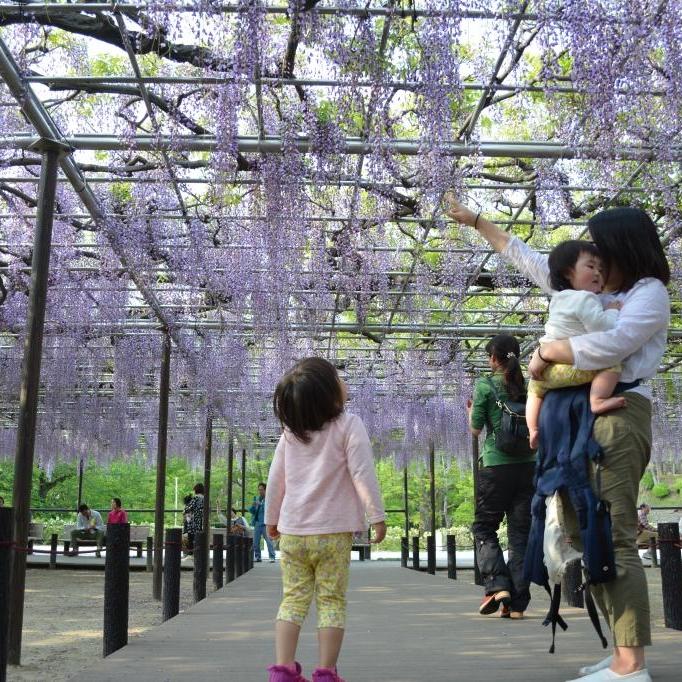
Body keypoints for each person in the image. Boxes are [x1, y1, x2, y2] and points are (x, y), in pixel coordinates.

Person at [446, 197, 669, 682]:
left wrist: (547, 350)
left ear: (624, 249)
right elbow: (523, 255)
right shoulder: (584, 288)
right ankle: (619, 657)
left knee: (614, 534)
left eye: (601, 251)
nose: (596, 259)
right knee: (586, 535)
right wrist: (477, 221)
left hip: (617, 412)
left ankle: (631, 666)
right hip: (572, 419)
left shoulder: (648, 292)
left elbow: (613, 344)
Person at [265, 357, 386, 682]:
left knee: (293, 598)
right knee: (331, 600)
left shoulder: (291, 433)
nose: (343, 382)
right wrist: (376, 516)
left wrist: (271, 519)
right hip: (333, 533)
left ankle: (283, 670)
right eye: (337, 378)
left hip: (293, 532)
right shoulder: (349, 424)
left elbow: (276, 479)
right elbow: (362, 473)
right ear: (329, 395)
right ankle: (326, 673)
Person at [526, 240, 625, 448]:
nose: (598, 273)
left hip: (546, 371)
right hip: (572, 368)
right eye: (590, 266)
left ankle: (533, 429)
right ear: (567, 273)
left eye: (601, 268)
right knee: (612, 363)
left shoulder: (558, 299)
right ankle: (597, 399)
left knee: (534, 390)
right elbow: (602, 328)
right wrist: (613, 310)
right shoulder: (586, 299)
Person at [468, 334, 536, 620]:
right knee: (520, 535)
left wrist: (471, 412)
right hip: (529, 467)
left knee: (484, 528)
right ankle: (518, 604)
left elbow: (475, 429)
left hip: (496, 468)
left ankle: (497, 585)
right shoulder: (530, 386)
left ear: (494, 359)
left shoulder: (485, 385)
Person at [250, 482, 276, 562]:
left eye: (261, 490)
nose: (260, 491)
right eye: (259, 490)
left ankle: (272, 557)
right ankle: (258, 557)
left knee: (269, 541)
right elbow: (252, 511)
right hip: (257, 523)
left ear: (265, 490)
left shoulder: (269, 499)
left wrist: (260, 505)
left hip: (266, 523)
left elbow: (270, 510)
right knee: (255, 542)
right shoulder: (257, 498)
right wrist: (253, 506)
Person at [185, 483, 204, 555]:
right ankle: (199, 554)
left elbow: (188, 508)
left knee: (191, 538)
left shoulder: (195, 498)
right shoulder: (205, 498)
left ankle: (191, 554)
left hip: (194, 521)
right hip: (202, 522)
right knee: (199, 539)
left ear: (196, 490)